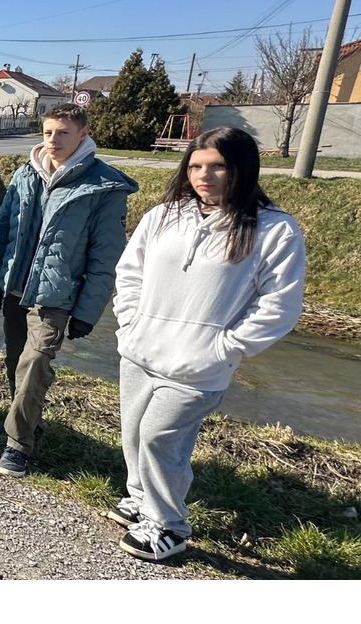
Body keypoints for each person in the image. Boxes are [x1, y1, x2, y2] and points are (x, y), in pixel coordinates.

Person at [110, 127, 305, 562]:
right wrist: (129, 323)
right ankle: (141, 500)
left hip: (199, 365)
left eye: (218, 166)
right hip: (140, 349)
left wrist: (225, 348)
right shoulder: (163, 216)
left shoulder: (274, 230)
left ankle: (169, 526)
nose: (205, 175)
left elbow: (280, 306)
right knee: (134, 434)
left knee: (161, 438)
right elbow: (130, 273)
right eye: (196, 165)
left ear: (242, 169)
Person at [0, 102, 138, 477]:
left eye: (63, 133)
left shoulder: (103, 186)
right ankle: (26, 420)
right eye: (48, 131)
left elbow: (105, 258)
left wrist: (87, 311)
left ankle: (17, 445)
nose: (53, 139)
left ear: (83, 134)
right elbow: (2, 232)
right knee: (16, 361)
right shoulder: (26, 174)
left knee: (36, 361)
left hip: (56, 295)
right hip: (15, 286)